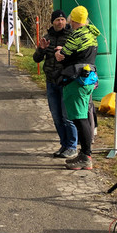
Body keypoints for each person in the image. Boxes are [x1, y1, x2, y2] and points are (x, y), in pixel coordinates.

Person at [55, 5, 100, 170]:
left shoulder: (76, 36)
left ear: (72, 20)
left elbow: (63, 56)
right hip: (89, 78)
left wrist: (58, 53)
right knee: (82, 116)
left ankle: (86, 156)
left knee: (79, 118)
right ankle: (84, 154)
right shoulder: (91, 34)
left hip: (76, 80)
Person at [33, 9, 77, 159]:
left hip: (66, 82)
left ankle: (72, 146)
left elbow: (77, 57)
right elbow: (36, 59)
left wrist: (64, 52)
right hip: (51, 82)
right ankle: (64, 144)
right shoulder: (47, 38)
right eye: (57, 20)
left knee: (67, 117)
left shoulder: (72, 37)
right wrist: (41, 49)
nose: (60, 22)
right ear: (52, 22)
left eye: (63, 20)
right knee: (56, 117)